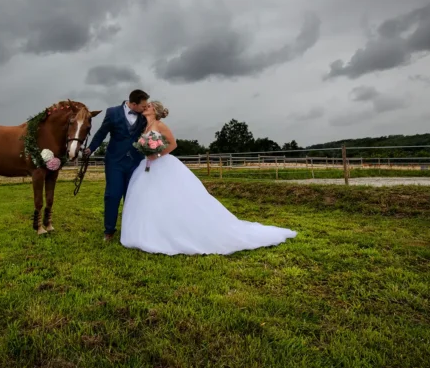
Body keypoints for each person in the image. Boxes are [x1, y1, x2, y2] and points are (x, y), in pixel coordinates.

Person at [120, 101, 297, 255]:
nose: (146, 107)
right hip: (147, 167)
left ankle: (175, 231)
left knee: (172, 197)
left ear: (155, 111)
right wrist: (146, 153)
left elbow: (173, 144)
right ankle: (151, 232)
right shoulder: (144, 127)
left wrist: (156, 156)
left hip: (162, 164)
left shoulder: (159, 124)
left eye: (149, 106)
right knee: (149, 198)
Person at [84, 90, 149, 241]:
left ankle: (130, 229)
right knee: (112, 195)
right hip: (115, 162)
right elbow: (101, 133)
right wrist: (90, 149)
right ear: (133, 104)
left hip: (136, 162)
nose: (145, 109)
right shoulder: (112, 113)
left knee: (132, 197)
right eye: (143, 106)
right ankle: (109, 231)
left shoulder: (145, 116)